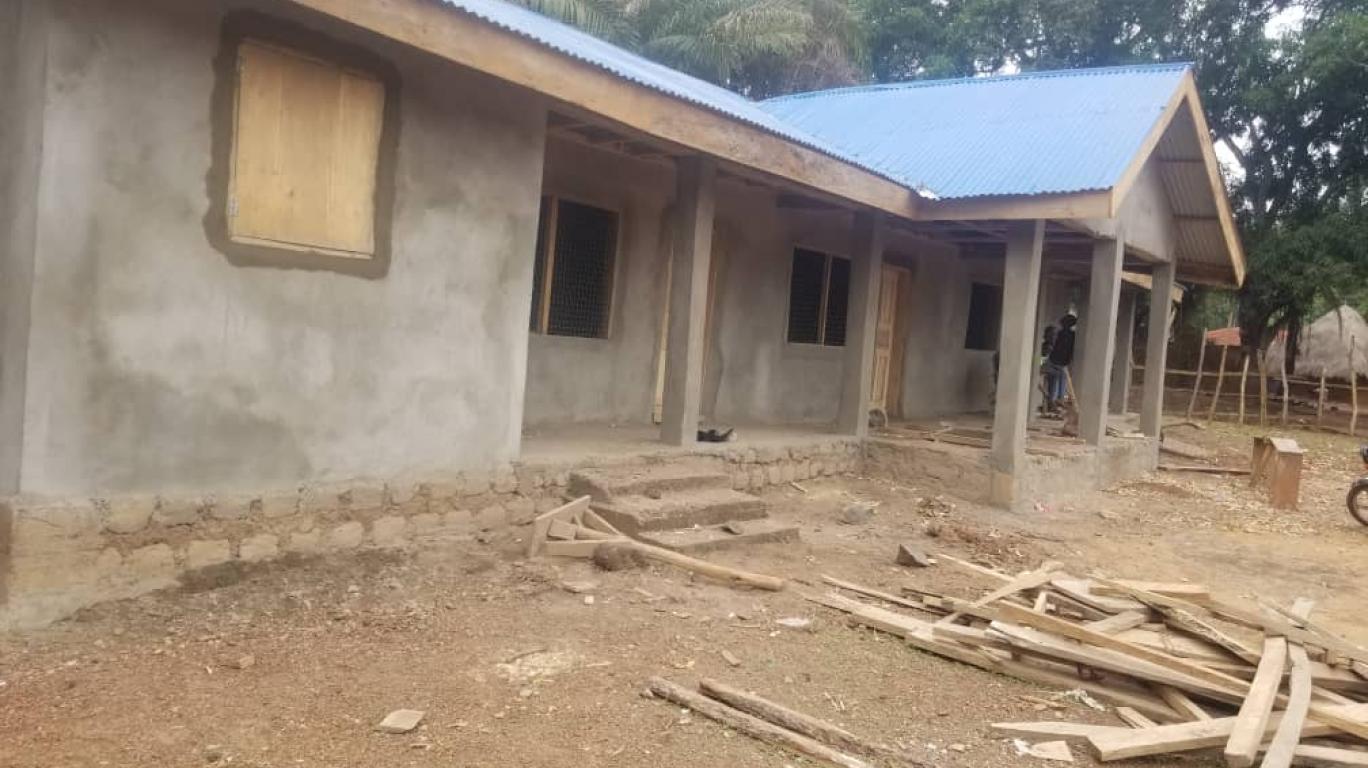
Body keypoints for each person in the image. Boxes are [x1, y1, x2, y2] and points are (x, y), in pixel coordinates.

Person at [1045, 312, 1078, 409]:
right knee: (1059, 377)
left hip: (1058, 361)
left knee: (1059, 377)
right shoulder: (1069, 335)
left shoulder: (1065, 334)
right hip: (1057, 361)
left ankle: (1057, 399)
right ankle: (1058, 399)